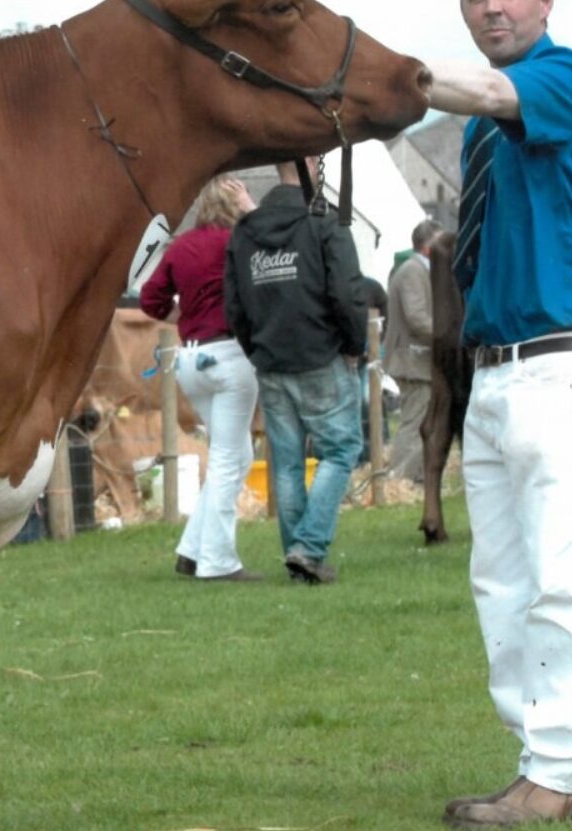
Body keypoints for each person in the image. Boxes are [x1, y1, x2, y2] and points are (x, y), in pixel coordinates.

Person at [424, 0, 572, 830]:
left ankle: (565, 766)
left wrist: (373, 79)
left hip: (562, 363)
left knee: (561, 574)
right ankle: (550, 765)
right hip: (497, 368)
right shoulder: (484, 123)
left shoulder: (566, 78)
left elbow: (488, 96)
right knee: (503, 582)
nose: (491, 7)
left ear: (546, 3)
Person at [224, 156, 365, 586]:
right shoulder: (323, 222)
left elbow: (234, 306)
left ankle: (297, 556)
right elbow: (346, 291)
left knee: (285, 463)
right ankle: (308, 548)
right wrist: (354, 345)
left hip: (271, 361)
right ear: (311, 164)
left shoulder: (245, 232)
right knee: (340, 451)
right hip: (320, 355)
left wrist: (257, 350)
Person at [140, 176, 262, 582]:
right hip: (230, 354)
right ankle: (218, 561)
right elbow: (275, 246)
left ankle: (191, 549)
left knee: (235, 453)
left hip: (190, 358)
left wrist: (185, 318)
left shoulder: (182, 247)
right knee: (229, 460)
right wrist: (252, 211)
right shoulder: (238, 242)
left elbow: (151, 299)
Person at [384, 221, 443, 484]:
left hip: (419, 360)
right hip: (412, 360)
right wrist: (449, 336)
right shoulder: (412, 271)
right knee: (414, 422)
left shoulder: (420, 270)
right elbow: (417, 318)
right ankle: (402, 481)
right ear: (429, 246)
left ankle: (416, 478)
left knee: (424, 420)